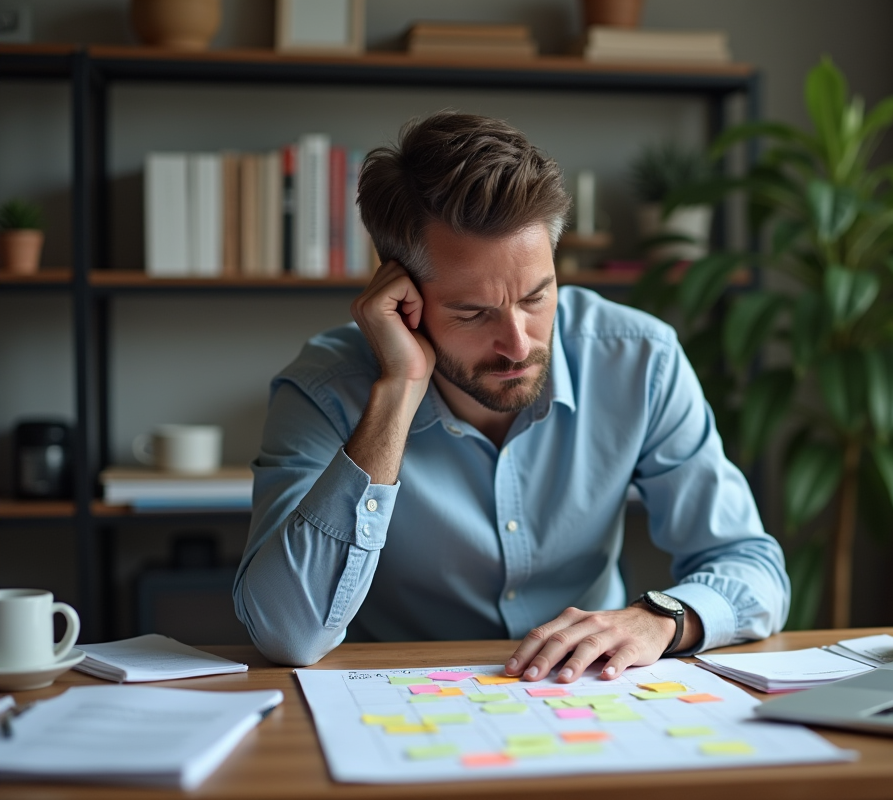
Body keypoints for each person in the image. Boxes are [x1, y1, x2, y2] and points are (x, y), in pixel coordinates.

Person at [233, 112, 789, 681]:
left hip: (589, 700)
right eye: (473, 312)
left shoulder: (639, 360)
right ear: (402, 296)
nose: (518, 344)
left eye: (536, 296)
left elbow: (752, 568)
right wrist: (398, 391)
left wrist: (660, 620)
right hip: (406, 703)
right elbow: (286, 632)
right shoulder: (324, 391)